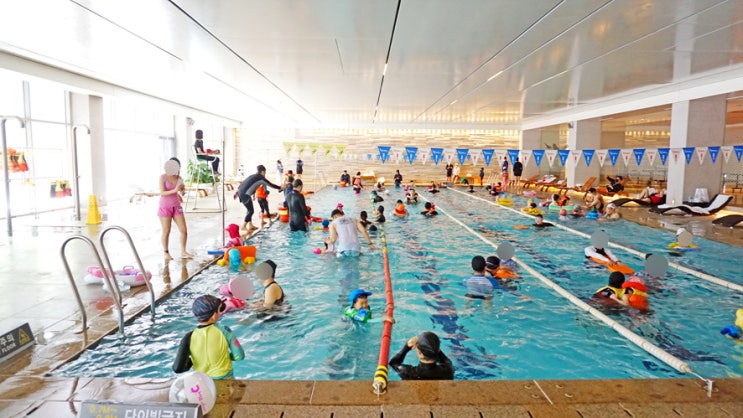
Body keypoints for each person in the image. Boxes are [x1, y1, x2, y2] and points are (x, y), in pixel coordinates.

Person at [173, 295, 245, 379]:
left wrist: (193, 361)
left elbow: (177, 368)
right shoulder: (225, 331)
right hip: (226, 379)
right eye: (219, 310)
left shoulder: (188, 337)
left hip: (202, 381)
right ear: (214, 316)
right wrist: (225, 357)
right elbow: (239, 356)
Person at [155, 158, 193, 261]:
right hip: (165, 207)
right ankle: (166, 253)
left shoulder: (179, 178)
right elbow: (162, 193)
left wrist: (182, 191)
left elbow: (182, 191)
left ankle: (183, 251)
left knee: (184, 230)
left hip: (176, 206)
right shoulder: (162, 178)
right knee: (166, 231)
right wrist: (175, 190)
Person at [237, 165, 283, 233]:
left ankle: (250, 225)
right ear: (263, 172)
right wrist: (280, 187)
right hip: (245, 194)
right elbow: (270, 184)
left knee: (249, 210)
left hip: (240, 192)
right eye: (265, 172)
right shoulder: (261, 178)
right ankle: (244, 226)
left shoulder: (253, 176)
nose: (265, 174)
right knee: (251, 211)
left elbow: (243, 183)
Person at [389, 331, 454, 380]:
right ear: (438, 350)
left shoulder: (408, 372)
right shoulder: (448, 371)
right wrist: (435, 349)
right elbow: (446, 361)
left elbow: (393, 363)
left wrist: (406, 347)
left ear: (419, 352)